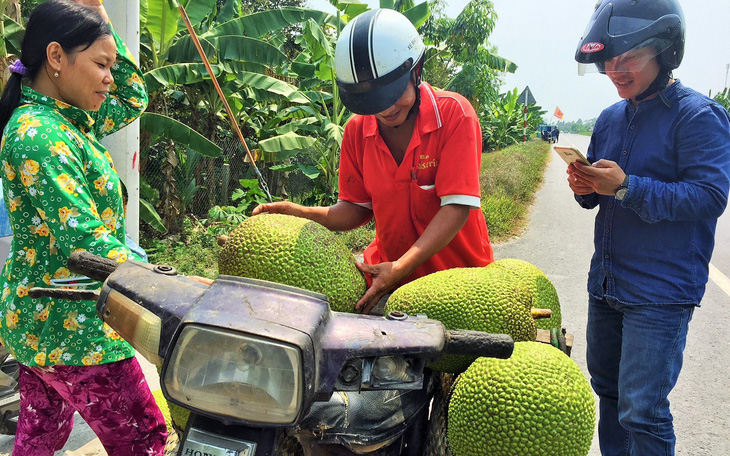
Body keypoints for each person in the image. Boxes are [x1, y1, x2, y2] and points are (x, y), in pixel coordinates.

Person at [0, 1, 168, 454]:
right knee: (145, 440)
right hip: (76, 328)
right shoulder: (40, 135)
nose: (110, 77)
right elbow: (87, 242)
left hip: (42, 325)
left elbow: (134, 96)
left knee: (39, 439)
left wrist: (99, 18)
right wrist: (171, 286)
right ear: (56, 58)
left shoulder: (69, 119)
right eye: (100, 64)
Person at [253, 9, 493, 314]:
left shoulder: (455, 115)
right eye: (373, 102)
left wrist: (401, 266)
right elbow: (355, 209)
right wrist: (298, 213)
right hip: (389, 281)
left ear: (416, 70)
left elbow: (457, 207)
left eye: (393, 94)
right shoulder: (356, 131)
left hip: (460, 282)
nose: (386, 109)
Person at [569, 0, 730, 454]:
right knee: (610, 395)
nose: (616, 71)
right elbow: (595, 200)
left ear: (666, 51)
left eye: (629, 59)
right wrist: (585, 186)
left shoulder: (699, 117)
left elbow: (709, 197)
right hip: (606, 284)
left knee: (643, 410)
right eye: (608, 63)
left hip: (660, 293)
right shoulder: (609, 119)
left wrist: (626, 186)